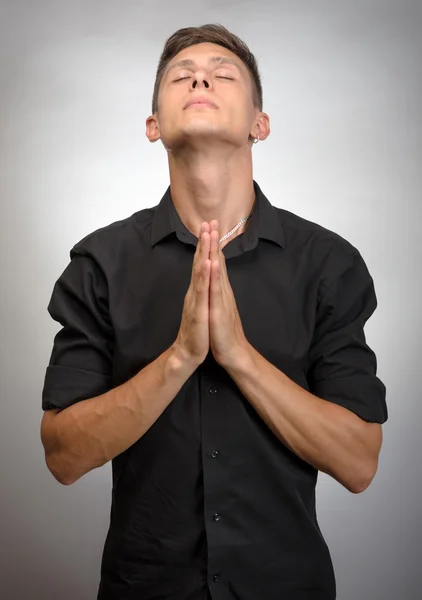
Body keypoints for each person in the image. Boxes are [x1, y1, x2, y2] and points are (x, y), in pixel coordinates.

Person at [40, 23, 388, 600]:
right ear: (153, 127)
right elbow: (63, 456)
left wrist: (239, 357)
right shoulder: (100, 263)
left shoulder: (329, 264)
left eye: (224, 73)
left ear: (260, 124)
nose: (201, 76)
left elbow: (359, 464)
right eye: (182, 75)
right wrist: (179, 359)